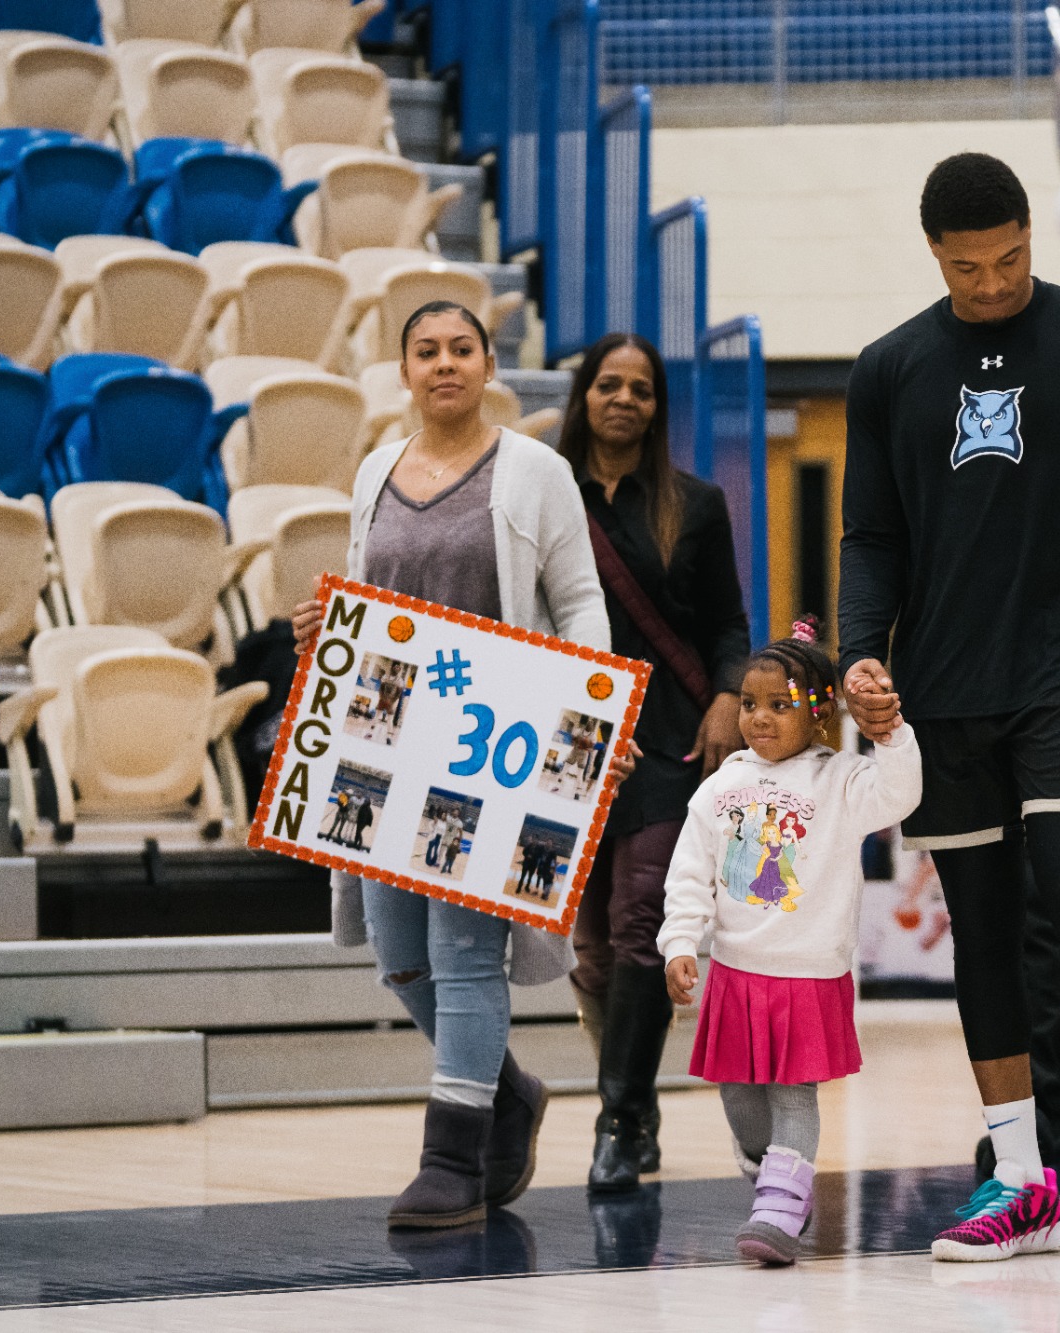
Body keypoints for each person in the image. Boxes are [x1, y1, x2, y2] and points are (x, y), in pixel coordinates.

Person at [837, 152, 1060, 1265]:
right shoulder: (886, 368)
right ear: (934, 257)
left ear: (1031, 237)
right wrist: (859, 653)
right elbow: (870, 537)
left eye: (1009, 259)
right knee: (982, 933)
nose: (992, 282)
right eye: (967, 267)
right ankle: (1020, 1176)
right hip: (946, 690)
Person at [292, 300, 612, 1230]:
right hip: (387, 737)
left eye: (461, 349)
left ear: (487, 365)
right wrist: (328, 624)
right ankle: (505, 1092)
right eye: (426, 351)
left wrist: (586, 710)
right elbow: (367, 595)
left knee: (465, 950)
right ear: (403, 371)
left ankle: (452, 1159)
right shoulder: (374, 470)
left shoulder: (536, 470)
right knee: (399, 956)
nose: (444, 364)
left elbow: (581, 601)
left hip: (487, 746)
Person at [657, 620, 922, 1265]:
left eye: (780, 705)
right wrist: (679, 943)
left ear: (821, 714)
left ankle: (780, 1205)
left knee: (792, 1093)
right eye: (750, 703)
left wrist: (891, 736)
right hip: (738, 972)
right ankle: (771, 1183)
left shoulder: (842, 781)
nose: (759, 718)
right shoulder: (720, 788)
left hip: (807, 973)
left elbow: (901, 793)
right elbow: (690, 870)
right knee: (740, 1097)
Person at [557, 331, 753, 1192]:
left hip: (672, 738)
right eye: (610, 384)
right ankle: (633, 1107)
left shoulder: (695, 503)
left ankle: (616, 1121)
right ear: (585, 395)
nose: (625, 399)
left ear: (656, 406)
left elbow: (728, 626)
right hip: (570, 743)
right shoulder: (542, 496)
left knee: (643, 924)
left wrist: (724, 696)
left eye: (641, 388)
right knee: (594, 950)